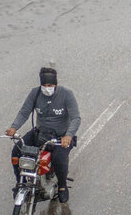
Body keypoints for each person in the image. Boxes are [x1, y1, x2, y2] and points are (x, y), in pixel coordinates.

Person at [5, 67, 81, 203]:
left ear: (55, 84)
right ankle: (19, 182)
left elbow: (76, 118)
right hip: (40, 134)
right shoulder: (35, 93)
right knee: (16, 151)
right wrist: (14, 127)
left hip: (60, 138)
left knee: (59, 159)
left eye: (50, 85)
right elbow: (24, 112)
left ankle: (62, 186)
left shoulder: (67, 95)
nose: (47, 88)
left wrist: (68, 136)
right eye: (44, 85)